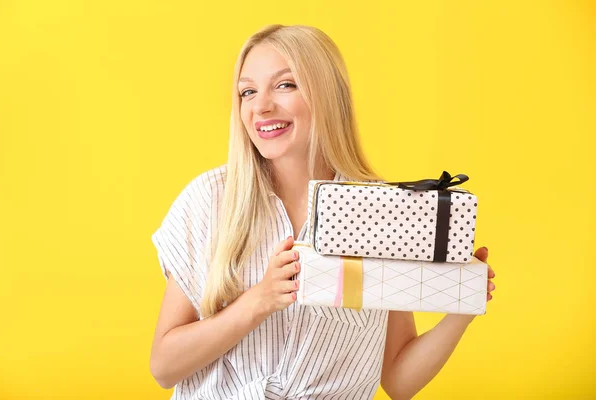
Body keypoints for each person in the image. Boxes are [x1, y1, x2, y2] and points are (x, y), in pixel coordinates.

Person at [149, 24, 496, 400]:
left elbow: (398, 380)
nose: (261, 106)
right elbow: (164, 367)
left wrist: (464, 302)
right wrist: (259, 300)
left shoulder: (384, 212)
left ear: (328, 94)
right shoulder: (209, 201)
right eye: (247, 91)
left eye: (285, 85)